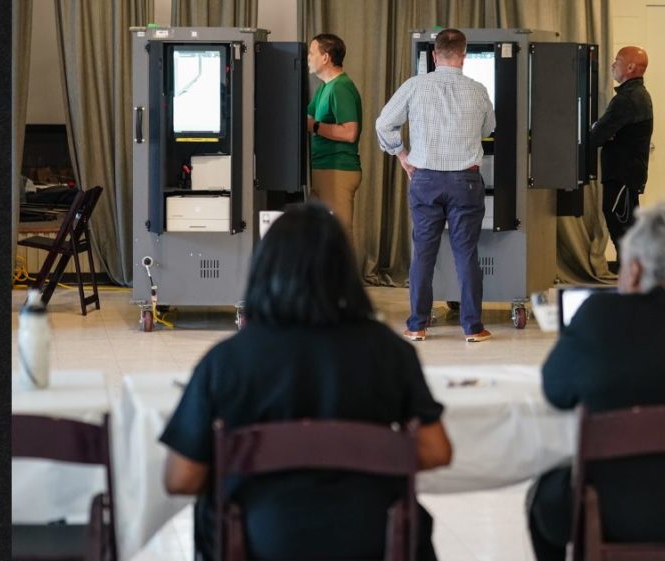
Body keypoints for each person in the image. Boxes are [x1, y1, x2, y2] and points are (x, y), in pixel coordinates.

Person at [159, 204, 451, 561]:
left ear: (263, 269)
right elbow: (436, 450)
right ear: (343, 271)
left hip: (259, 543)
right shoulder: (390, 352)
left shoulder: (227, 362)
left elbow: (181, 479)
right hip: (372, 541)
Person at [527, 202, 665, 561]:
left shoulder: (599, 316)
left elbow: (556, 391)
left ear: (633, 270)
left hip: (611, 511)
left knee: (543, 496)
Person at [374, 28, 495, 343]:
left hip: (425, 179)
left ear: (434, 55)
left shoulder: (415, 86)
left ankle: (417, 325)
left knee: (423, 254)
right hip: (466, 181)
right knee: (466, 253)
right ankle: (473, 327)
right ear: (464, 55)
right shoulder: (479, 90)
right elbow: (489, 127)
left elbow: (384, 123)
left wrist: (401, 154)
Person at [590, 46, 654, 274]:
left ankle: (633, 281)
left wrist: (600, 129)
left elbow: (597, 136)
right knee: (627, 227)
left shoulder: (627, 100)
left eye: (616, 61)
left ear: (629, 67)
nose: (612, 65)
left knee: (622, 228)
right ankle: (634, 279)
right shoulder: (638, 95)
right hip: (627, 176)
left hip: (622, 176)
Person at [306, 33, 363, 239]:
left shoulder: (341, 87)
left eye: (311, 53)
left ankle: (345, 273)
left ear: (325, 57)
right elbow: (305, 118)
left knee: (339, 236)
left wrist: (315, 126)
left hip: (337, 170)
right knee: (317, 235)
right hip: (323, 169)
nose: (308, 58)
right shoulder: (325, 87)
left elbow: (350, 132)